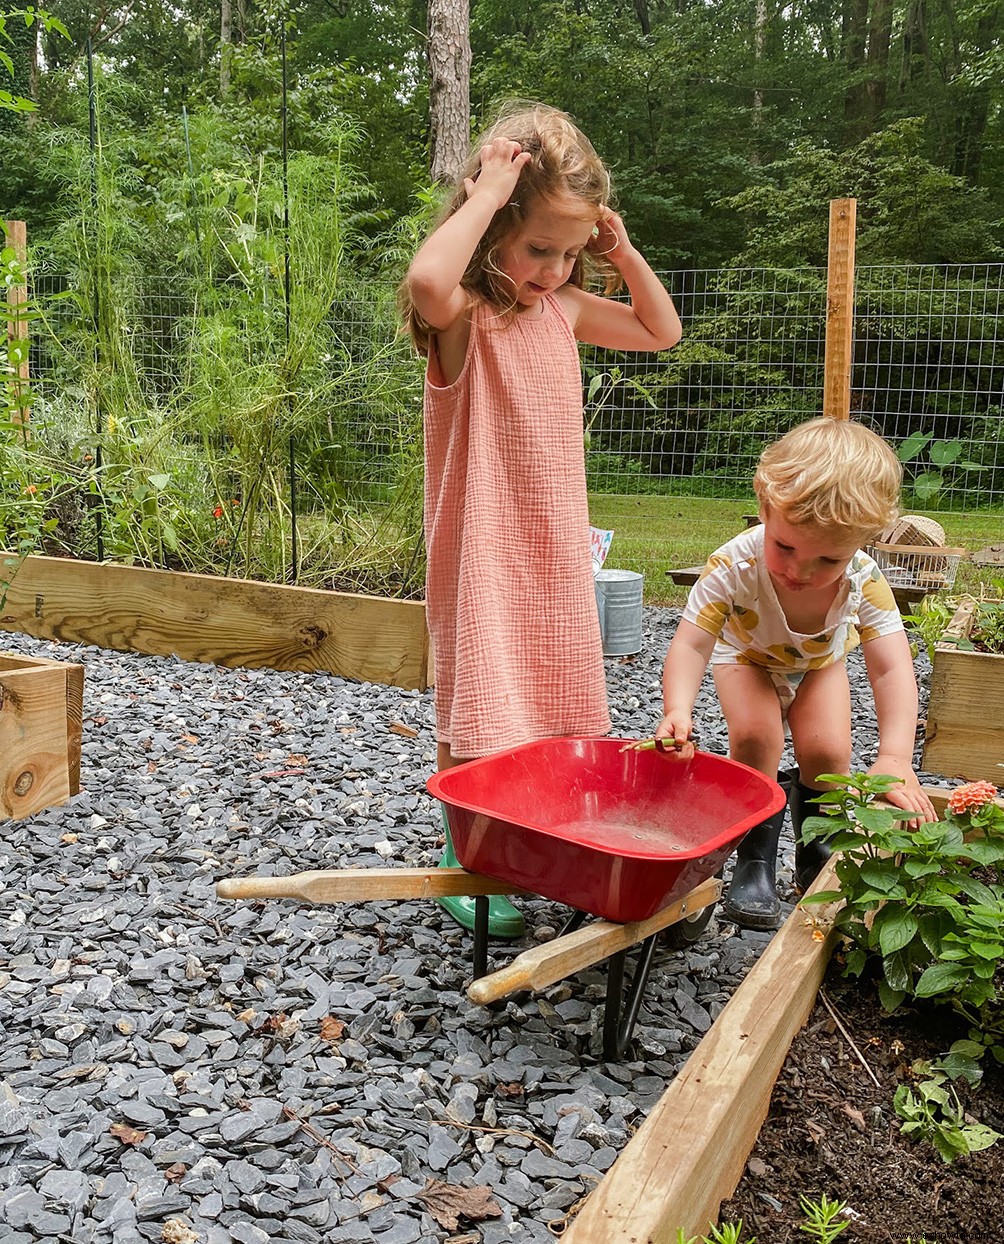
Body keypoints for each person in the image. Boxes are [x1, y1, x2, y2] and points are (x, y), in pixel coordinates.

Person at [401, 102, 682, 937]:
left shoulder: (562, 311)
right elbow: (425, 281)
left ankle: (532, 838)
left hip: (553, 543)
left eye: (569, 252)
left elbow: (661, 331)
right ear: (491, 230)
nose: (555, 270)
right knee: (476, 701)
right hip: (481, 544)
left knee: (554, 690)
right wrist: (487, 191)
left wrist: (620, 252)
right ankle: (471, 863)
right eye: (537, 248)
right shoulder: (463, 317)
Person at [650, 417, 937, 930]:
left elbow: (892, 667)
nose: (800, 572)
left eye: (828, 558)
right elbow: (693, 644)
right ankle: (754, 861)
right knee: (758, 737)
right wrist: (678, 709)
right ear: (764, 509)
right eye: (784, 547)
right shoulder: (734, 566)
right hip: (747, 656)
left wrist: (894, 755)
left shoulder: (863, 580)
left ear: (863, 544)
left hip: (820, 662)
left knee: (828, 753)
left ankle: (815, 848)